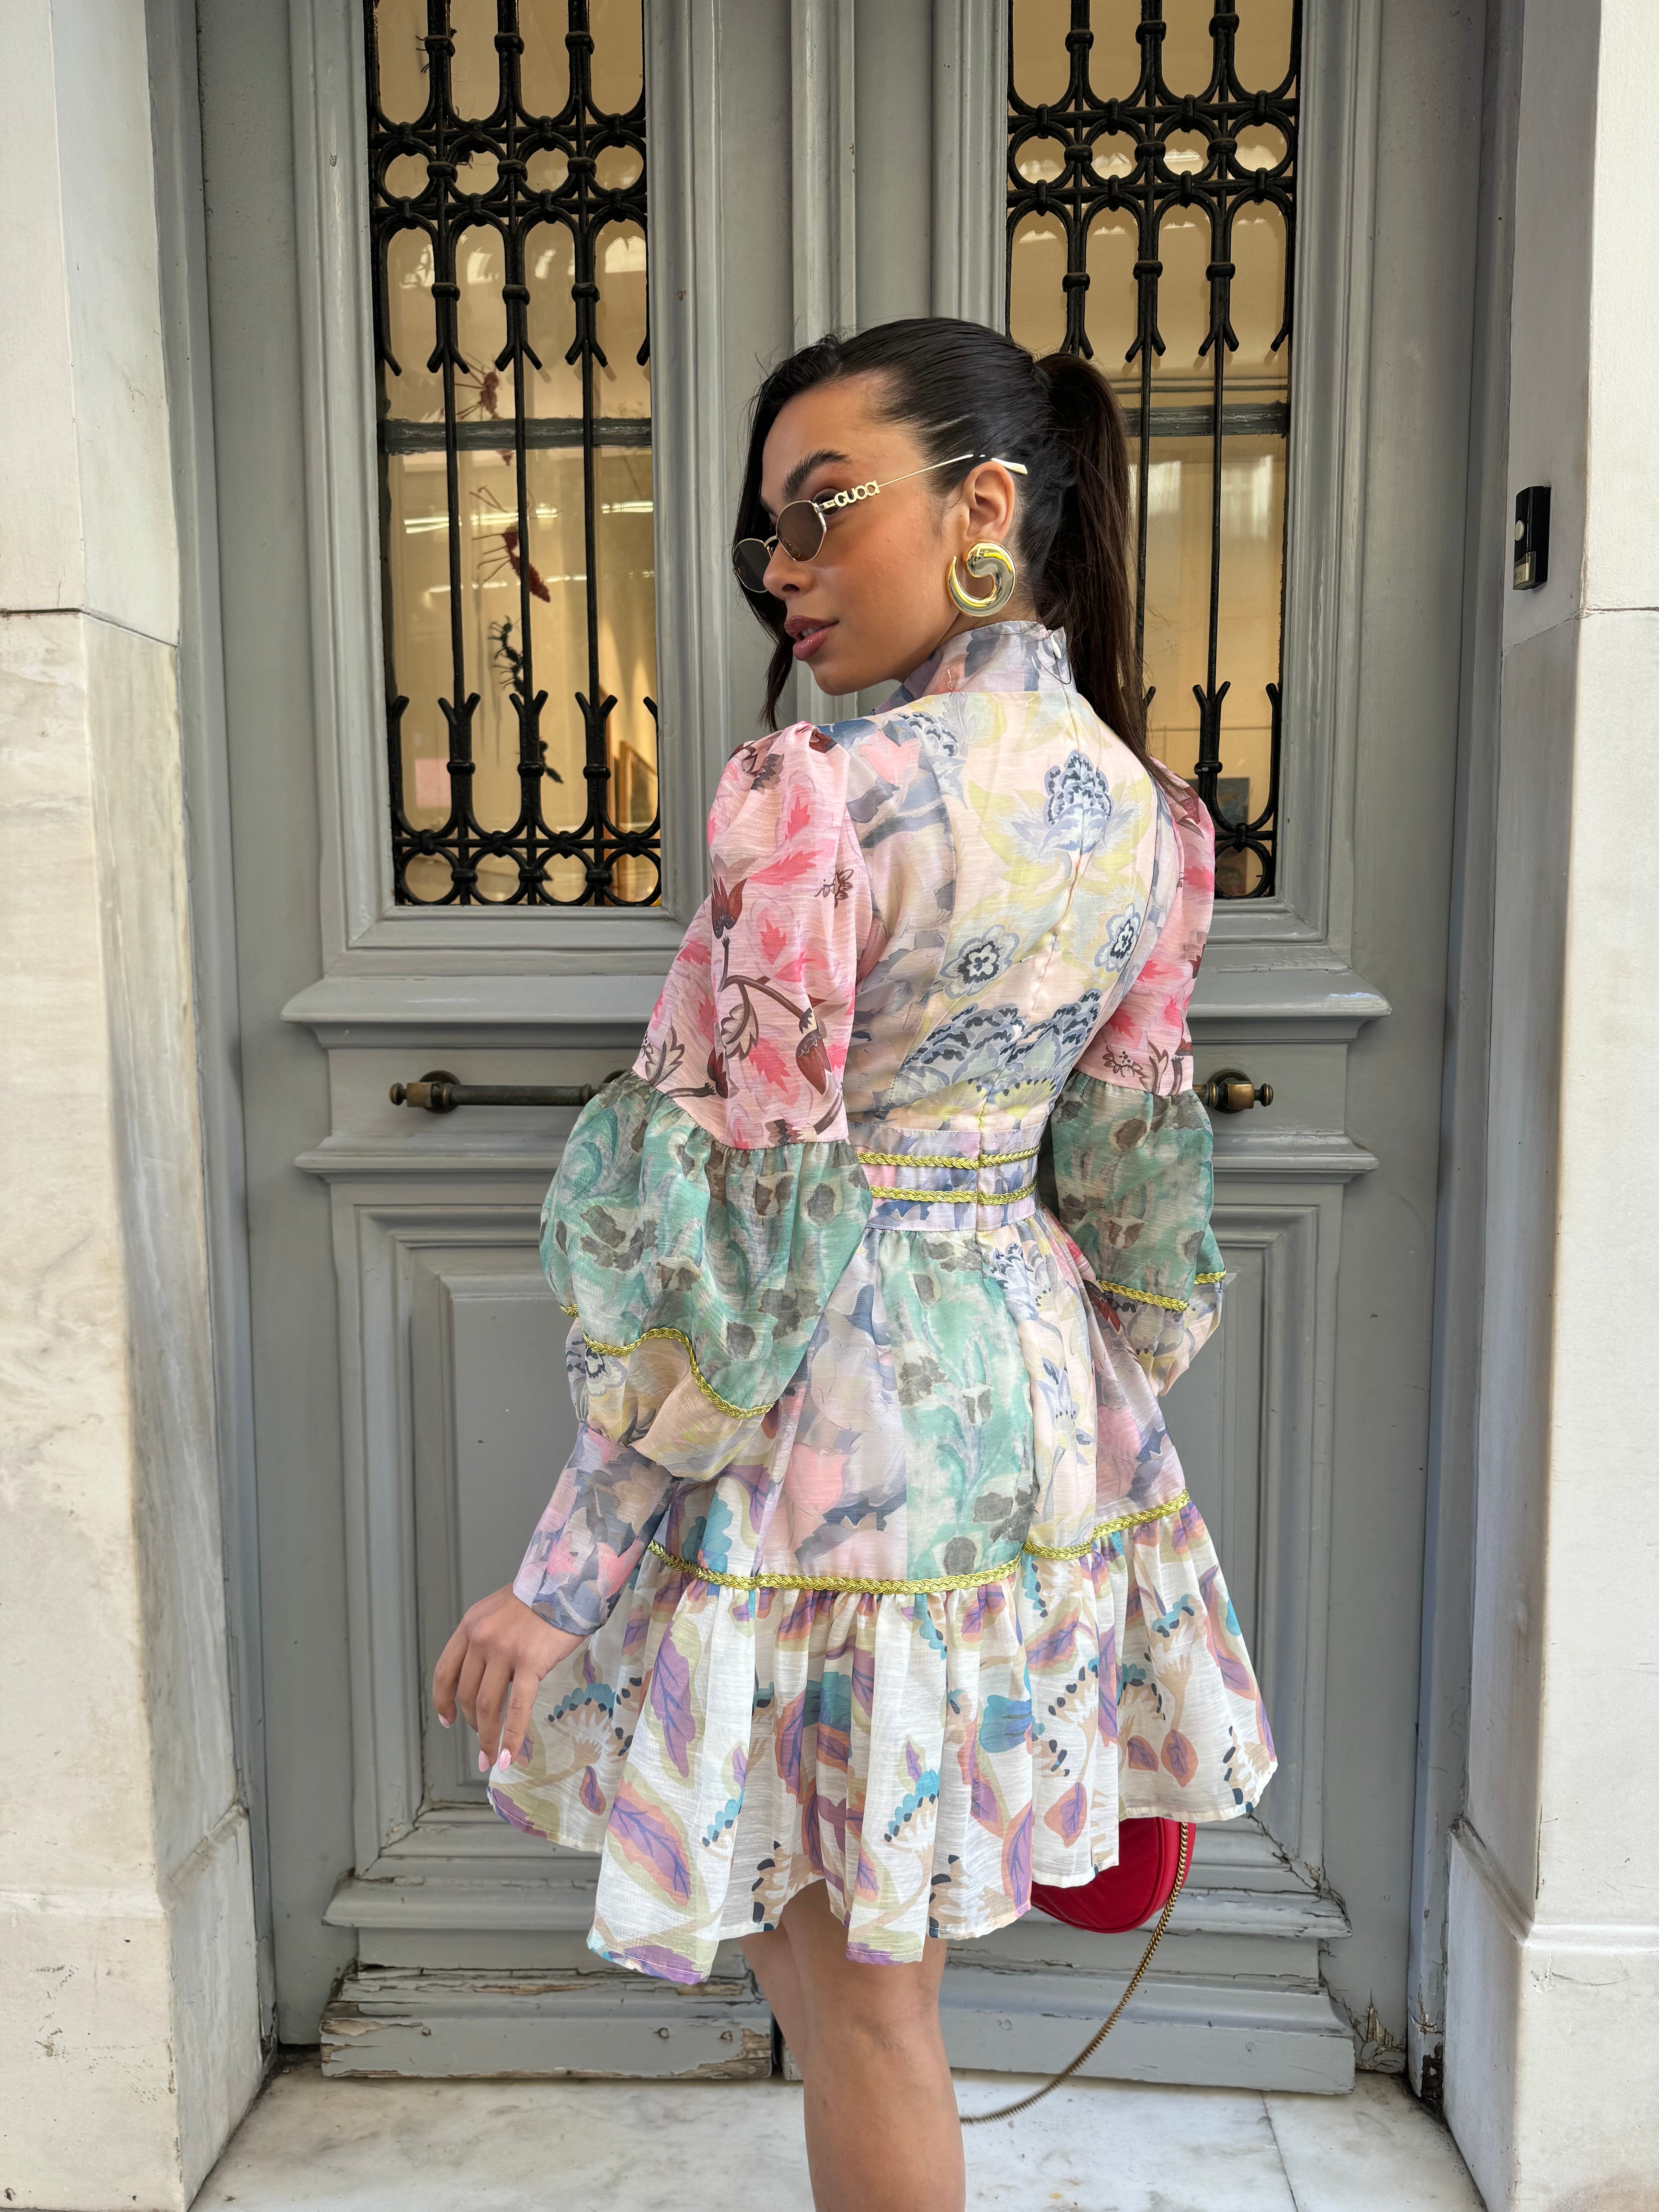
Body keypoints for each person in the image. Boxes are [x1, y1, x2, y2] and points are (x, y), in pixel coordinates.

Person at [433, 317, 1276, 2212]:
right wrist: (1096, 1418)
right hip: (1033, 1414)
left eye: (824, 512)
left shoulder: (824, 801)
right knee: (850, 1964)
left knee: (868, 2002)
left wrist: (568, 1573)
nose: (785, 572)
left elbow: (740, 1233)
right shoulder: (1149, 823)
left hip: (830, 1435)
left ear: (985, 506)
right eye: (770, 533)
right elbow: (1135, 1193)